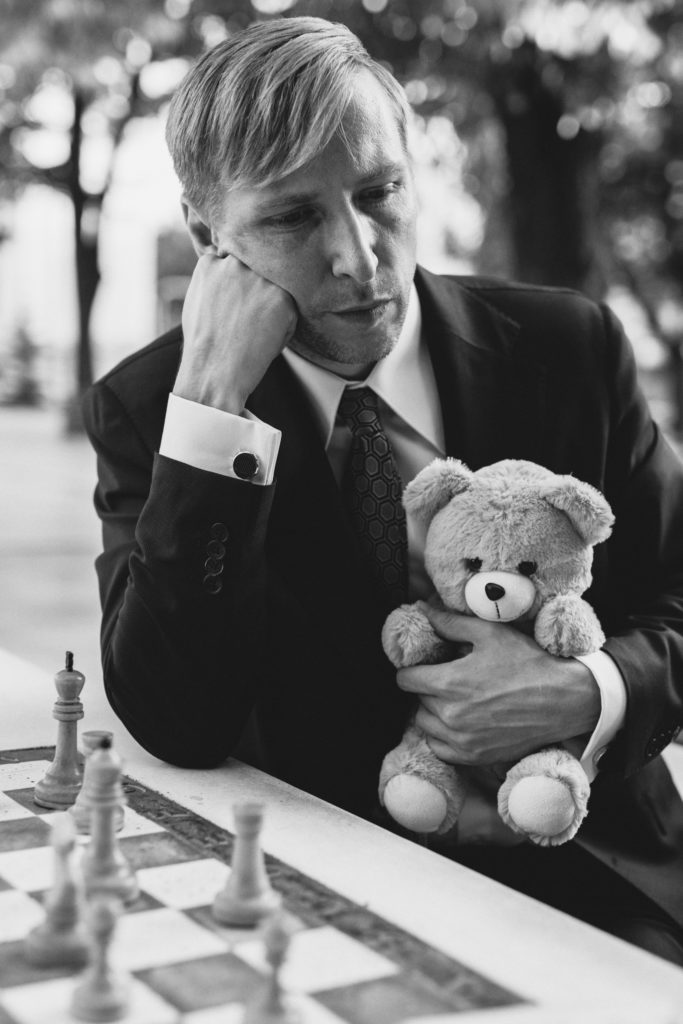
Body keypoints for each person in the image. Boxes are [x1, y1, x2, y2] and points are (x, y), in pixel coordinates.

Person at [82, 16, 683, 964]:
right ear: (209, 237)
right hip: (318, 896)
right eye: (291, 218)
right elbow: (176, 721)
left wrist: (588, 691)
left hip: (598, 874)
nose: (358, 257)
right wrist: (210, 408)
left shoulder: (569, 348)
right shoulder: (155, 409)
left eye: (379, 192)